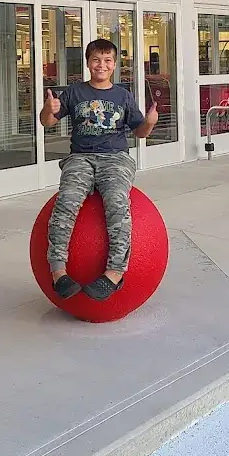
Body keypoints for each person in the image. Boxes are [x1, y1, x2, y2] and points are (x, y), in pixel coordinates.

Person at [39, 38, 158, 301]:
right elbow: (47, 122)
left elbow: (140, 132)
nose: (101, 65)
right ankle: (58, 272)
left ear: (114, 64)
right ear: (88, 63)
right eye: (96, 60)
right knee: (67, 201)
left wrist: (149, 122)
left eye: (107, 60)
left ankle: (115, 273)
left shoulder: (123, 96)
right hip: (80, 158)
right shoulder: (75, 92)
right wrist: (48, 109)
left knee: (116, 201)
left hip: (115, 158)